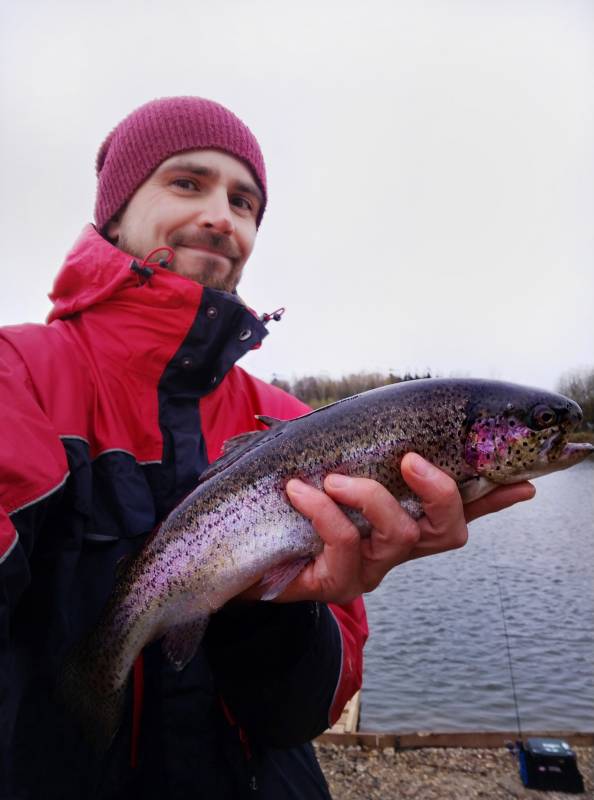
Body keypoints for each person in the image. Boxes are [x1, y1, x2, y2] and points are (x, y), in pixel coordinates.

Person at [0, 97, 534, 800]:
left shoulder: (289, 419)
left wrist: (277, 612)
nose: (223, 215)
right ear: (115, 214)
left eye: (244, 201)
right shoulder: (19, 375)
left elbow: (310, 710)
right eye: (187, 183)